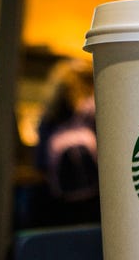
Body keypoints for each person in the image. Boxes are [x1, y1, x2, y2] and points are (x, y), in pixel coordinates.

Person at [31, 58, 100, 227]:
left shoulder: (49, 116)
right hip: (95, 202)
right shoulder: (96, 112)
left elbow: (40, 163)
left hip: (57, 202)